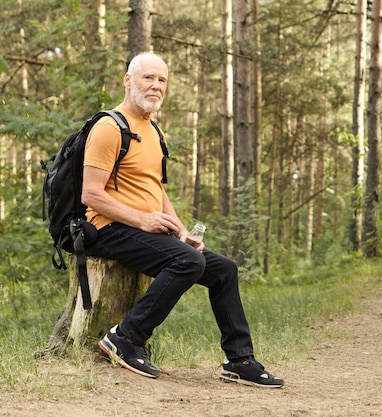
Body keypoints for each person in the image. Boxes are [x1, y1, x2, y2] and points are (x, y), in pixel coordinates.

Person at [82, 52, 284, 388]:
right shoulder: (109, 127)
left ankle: (240, 360)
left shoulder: (153, 131)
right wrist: (143, 220)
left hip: (142, 228)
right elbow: (91, 194)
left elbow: (156, 189)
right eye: (149, 78)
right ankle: (125, 339)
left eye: (162, 80)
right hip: (108, 229)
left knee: (223, 269)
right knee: (189, 262)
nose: (156, 86)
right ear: (128, 80)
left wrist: (180, 231)